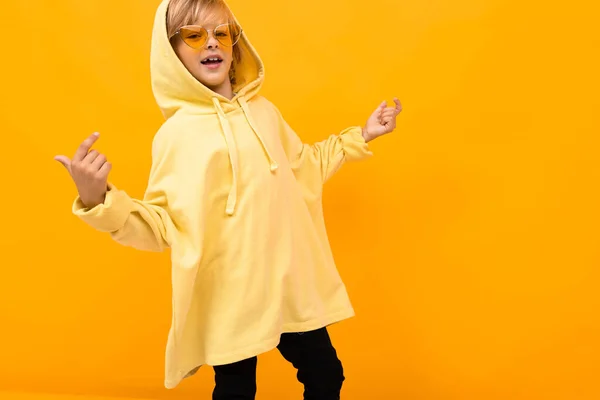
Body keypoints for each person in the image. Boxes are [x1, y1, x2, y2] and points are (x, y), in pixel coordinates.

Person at [54, 0, 402, 398]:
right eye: (194, 34)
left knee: (326, 375)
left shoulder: (264, 112)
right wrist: (97, 198)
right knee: (236, 389)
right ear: (173, 52)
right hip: (228, 295)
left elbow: (304, 167)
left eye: (222, 33)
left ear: (235, 44)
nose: (210, 44)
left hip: (287, 282)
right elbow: (160, 226)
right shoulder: (178, 135)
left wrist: (363, 134)